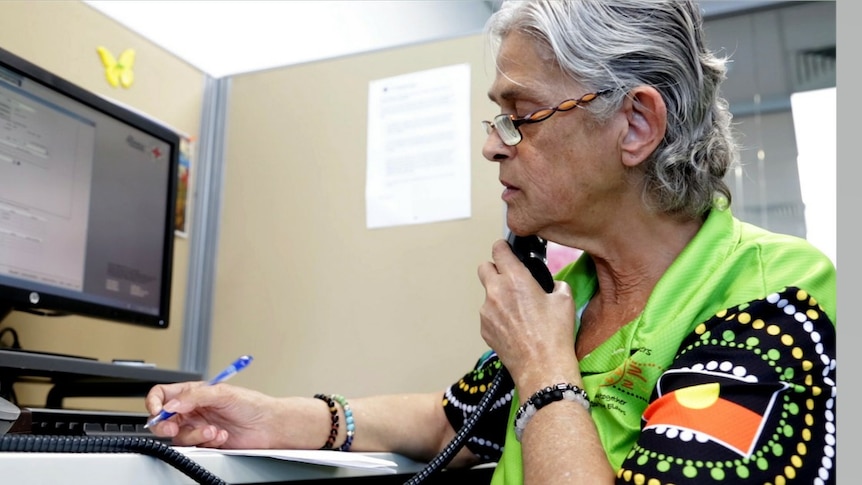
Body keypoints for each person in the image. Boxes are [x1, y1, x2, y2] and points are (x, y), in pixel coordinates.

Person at [145, 1, 837, 483]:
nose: (489, 146)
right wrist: (276, 420)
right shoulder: (579, 292)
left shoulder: (775, 297)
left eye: (520, 116)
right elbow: (452, 420)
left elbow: (533, 389)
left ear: (634, 125)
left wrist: (541, 364)